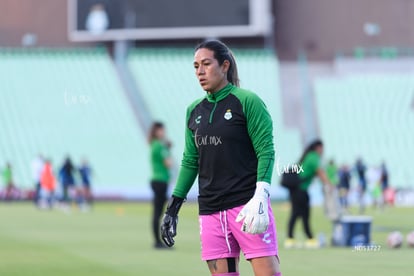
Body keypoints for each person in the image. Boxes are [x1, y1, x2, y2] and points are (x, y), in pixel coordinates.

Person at [160, 40, 281, 276]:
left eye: (206, 64)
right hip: (210, 210)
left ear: (224, 66)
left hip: (247, 205)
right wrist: (173, 207)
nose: (200, 72)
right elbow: (190, 160)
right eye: (196, 66)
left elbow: (266, 150)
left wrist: (261, 194)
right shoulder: (193, 111)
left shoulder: (247, 101)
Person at [285, 140, 332, 249]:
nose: (322, 151)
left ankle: (294, 238)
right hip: (300, 190)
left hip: (297, 190)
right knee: (302, 214)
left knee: (297, 214)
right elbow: (320, 172)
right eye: (322, 149)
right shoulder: (313, 157)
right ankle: (307, 238)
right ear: (318, 148)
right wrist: (329, 185)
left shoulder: (308, 156)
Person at [148, 122, 172, 249]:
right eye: (161, 130)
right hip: (160, 181)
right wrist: (168, 149)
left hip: (157, 180)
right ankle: (158, 241)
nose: (163, 132)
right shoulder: (160, 146)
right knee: (159, 213)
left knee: (157, 212)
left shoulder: (153, 144)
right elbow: (168, 163)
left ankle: (158, 240)